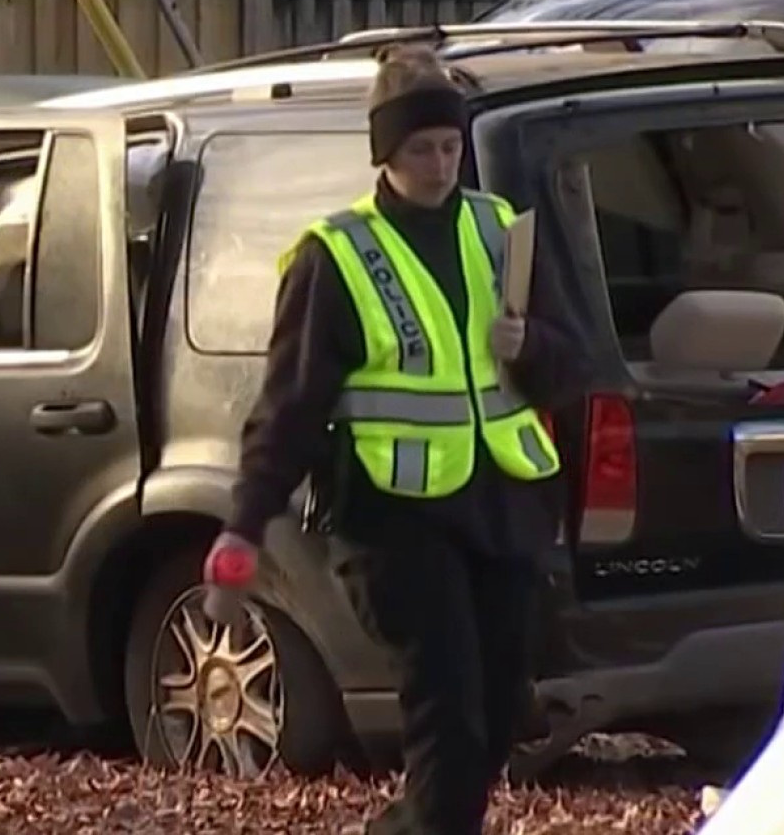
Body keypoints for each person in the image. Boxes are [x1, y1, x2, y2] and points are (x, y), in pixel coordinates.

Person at [203, 43, 590, 835]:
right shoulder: (338, 256)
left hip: (498, 510)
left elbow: (571, 363)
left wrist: (532, 349)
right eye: (421, 149)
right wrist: (243, 530)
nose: (441, 164)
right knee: (448, 724)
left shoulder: (498, 233)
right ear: (386, 154)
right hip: (393, 522)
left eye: (451, 147)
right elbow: (289, 409)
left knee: (491, 725)